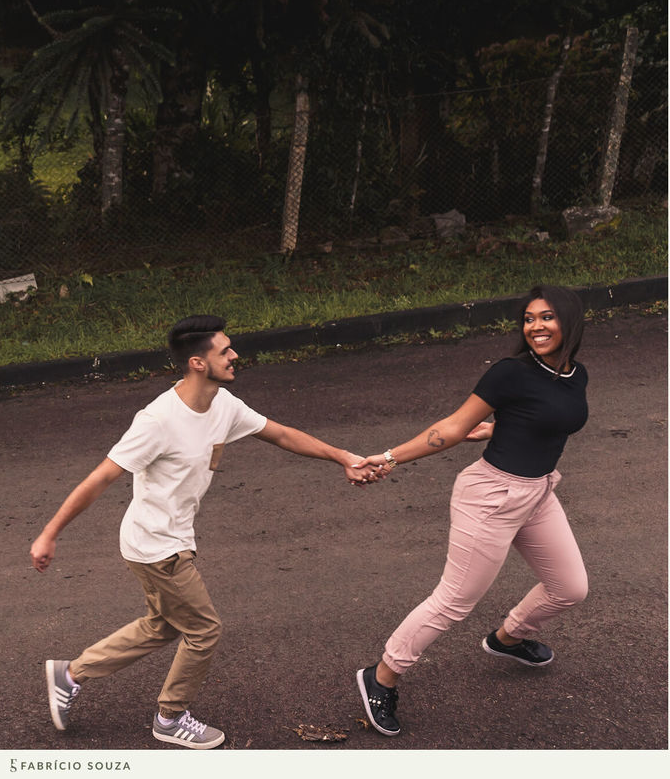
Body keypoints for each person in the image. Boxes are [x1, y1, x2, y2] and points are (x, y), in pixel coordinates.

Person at [29, 314, 380, 749]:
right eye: (225, 351)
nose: (235, 356)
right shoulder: (157, 419)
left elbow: (282, 434)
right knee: (204, 630)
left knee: (163, 626)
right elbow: (101, 477)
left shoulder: (223, 404)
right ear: (197, 362)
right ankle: (170, 718)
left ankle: (69, 674)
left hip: (166, 539)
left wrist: (343, 456)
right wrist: (50, 533)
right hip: (157, 546)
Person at [353, 284, 590, 736]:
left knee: (570, 587)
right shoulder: (509, 373)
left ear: (569, 321)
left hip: (539, 493)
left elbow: (549, 417)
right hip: (491, 497)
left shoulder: (575, 374)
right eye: (529, 319)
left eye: (547, 317)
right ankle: (381, 676)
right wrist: (388, 458)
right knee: (454, 602)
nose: (536, 326)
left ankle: (507, 638)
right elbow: (452, 427)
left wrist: (503, 425)